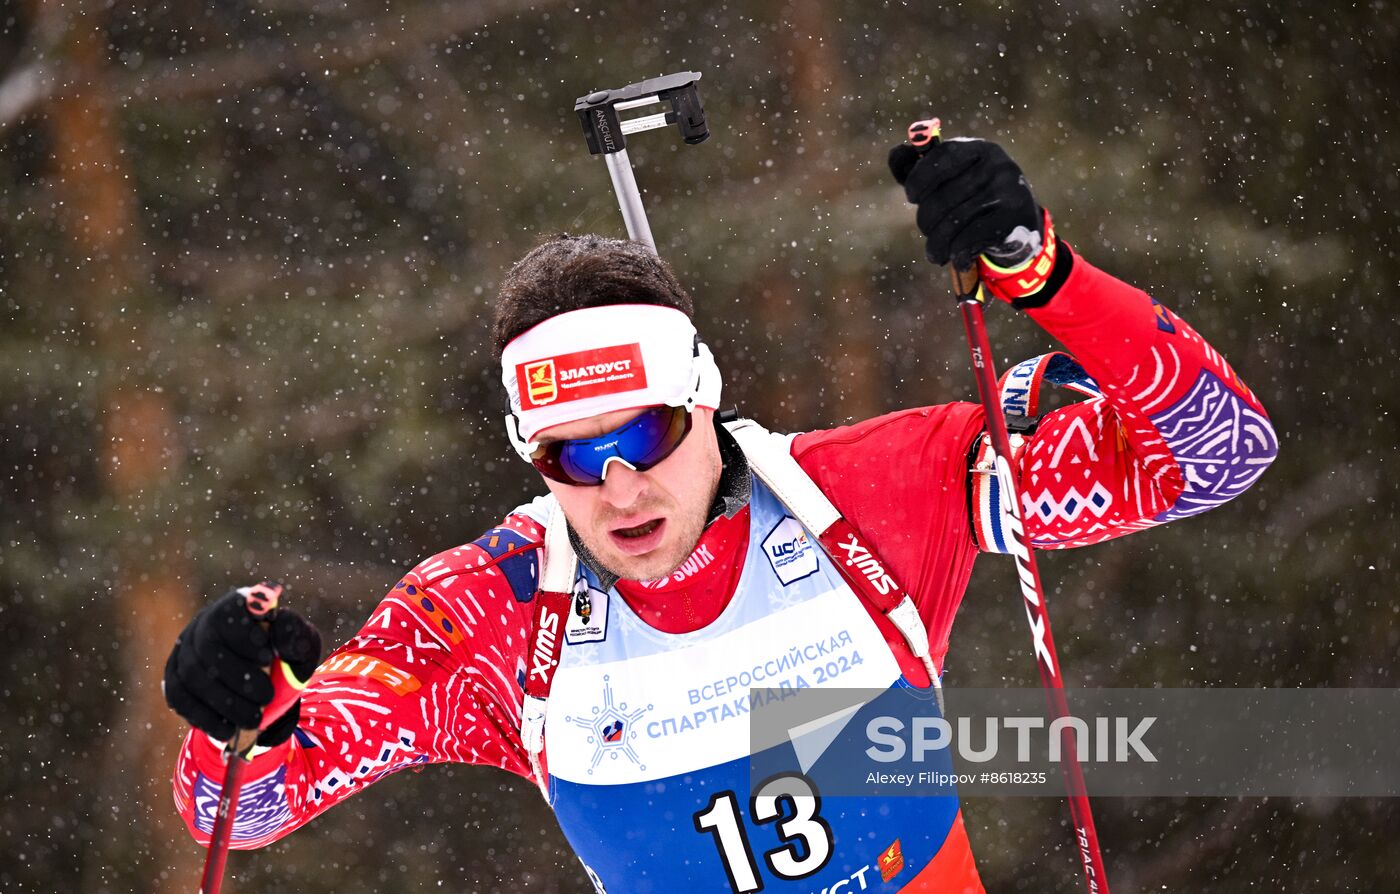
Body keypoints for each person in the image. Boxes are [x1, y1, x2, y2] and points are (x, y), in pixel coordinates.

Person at [163, 136, 1278, 892]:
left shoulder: (869, 497)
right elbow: (251, 805)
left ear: (701, 400)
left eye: (641, 437)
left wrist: (1038, 272)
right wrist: (227, 711)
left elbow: (1216, 453)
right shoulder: (492, 615)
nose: (617, 488)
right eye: (569, 456)